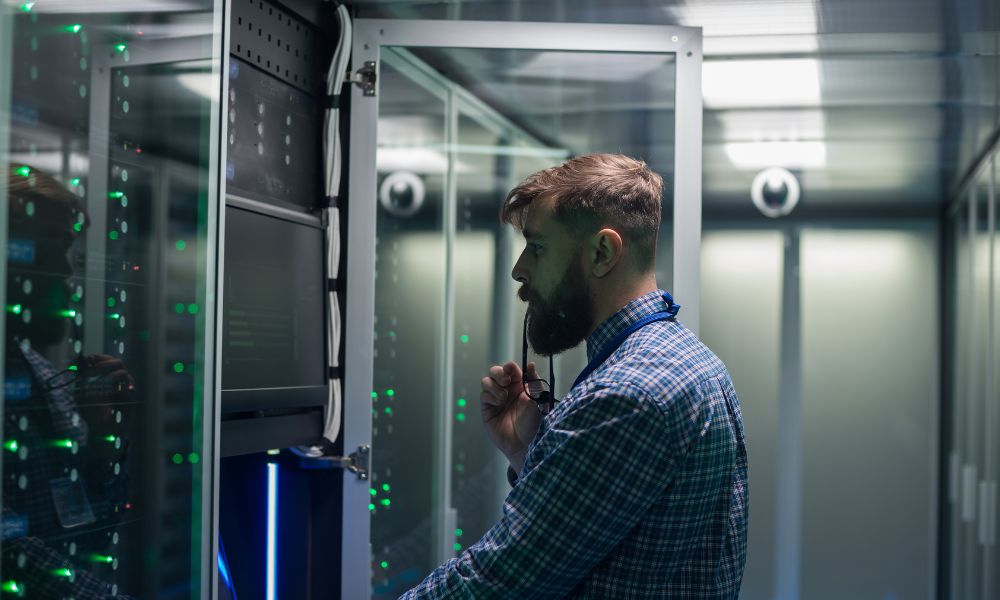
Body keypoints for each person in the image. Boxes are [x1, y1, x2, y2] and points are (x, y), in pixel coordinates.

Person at [401, 153, 747, 599]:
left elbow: (498, 581)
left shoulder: (626, 394)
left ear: (602, 252)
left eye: (538, 247)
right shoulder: (689, 361)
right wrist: (527, 453)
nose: (519, 270)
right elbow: (619, 539)